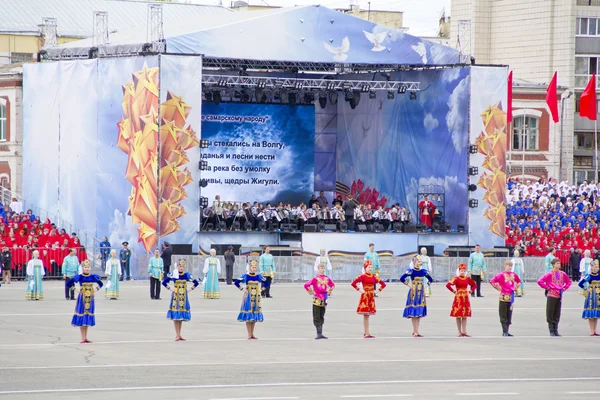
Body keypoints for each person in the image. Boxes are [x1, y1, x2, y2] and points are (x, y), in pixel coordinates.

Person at [66, 260, 103, 344]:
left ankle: (86, 337)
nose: (86, 269)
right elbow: (68, 283)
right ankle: (82, 337)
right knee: (82, 315)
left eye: (88, 267)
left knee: (87, 316)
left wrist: (95, 289)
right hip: (82, 298)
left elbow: (100, 284)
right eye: (85, 267)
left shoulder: (93, 277)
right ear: (82, 268)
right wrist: (75, 289)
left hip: (90, 298)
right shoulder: (80, 277)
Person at [162, 259, 199, 341]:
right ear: (177, 267)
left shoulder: (187, 275)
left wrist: (189, 290)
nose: (181, 268)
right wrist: (171, 289)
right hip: (176, 297)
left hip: (183, 297)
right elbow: (164, 282)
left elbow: (196, 283)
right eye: (180, 266)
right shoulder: (174, 274)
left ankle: (179, 334)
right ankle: (177, 334)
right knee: (176, 316)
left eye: (182, 266)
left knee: (181, 317)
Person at [350, 260, 386, 338]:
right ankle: (366, 332)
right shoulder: (362, 276)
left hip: (371, 297)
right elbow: (353, 283)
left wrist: (377, 291)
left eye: (371, 267)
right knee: (366, 315)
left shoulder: (374, 276)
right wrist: (360, 290)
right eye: (369, 267)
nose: (370, 268)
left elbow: (383, 284)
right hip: (365, 297)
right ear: (365, 268)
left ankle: (367, 332)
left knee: (368, 315)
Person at [538, 258, 572, 337]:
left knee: (557, 312)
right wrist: (548, 288)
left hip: (559, 295)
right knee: (550, 312)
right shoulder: (549, 274)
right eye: (557, 263)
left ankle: (556, 329)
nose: (559, 265)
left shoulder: (563, 274)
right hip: (551, 295)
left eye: (559, 263)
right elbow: (540, 281)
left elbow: (569, 282)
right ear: (553, 264)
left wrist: (564, 288)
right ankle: (551, 330)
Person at [400, 255, 433, 337]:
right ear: (414, 262)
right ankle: (414, 331)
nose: (419, 263)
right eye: (418, 261)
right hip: (413, 293)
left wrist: (426, 286)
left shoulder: (423, 271)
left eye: (420, 261)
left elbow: (431, 279)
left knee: (418, 313)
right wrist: (409, 285)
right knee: (413, 312)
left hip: (421, 293)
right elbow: (402, 278)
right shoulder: (411, 271)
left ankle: (417, 331)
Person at [235, 260, 268, 339]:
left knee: (253, 316)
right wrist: (242, 289)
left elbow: (266, 282)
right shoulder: (246, 276)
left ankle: (252, 333)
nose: (254, 269)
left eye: (255, 267)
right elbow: (236, 282)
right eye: (253, 267)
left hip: (256, 297)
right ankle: (249, 334)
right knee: (248, 315)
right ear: (249, 268)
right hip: (248, 297)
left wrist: (261, 289)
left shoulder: (258, 276)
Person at [490, 260, 522, 337]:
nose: (510, 267)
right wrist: (497, 287)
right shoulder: (501, 275)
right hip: (503, 296)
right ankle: (504, 331)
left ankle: (507, 331)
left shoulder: (513, 275)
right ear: (505, 266)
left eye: (511, 266)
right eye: (508, 266)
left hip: (511, 296)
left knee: (509, 314)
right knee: (503, 314)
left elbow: (519, 281)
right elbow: (492, 281)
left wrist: (515, 287)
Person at [304, 262, 335, 340]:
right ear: (318, 270)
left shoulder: (327, 278)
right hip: (317, 298)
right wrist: (312, 292)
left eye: (324, 268)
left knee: (322, 315)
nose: (322, 270)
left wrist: (329, 291)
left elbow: (333, 285)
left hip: (324, 298)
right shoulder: (315, 279)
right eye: (321, 268)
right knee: (316, 316)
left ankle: (321, 333)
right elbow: (306, 285)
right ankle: (319, 333)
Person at [446, 264, 477, 337]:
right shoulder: (456, 278)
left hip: (465, 298)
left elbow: (474, 285)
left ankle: (464, 331)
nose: (462, 272)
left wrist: (470, 291)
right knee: (458, 315)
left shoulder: (467, 279)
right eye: (461, 271)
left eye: (464, 271)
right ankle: (459, 331)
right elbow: (448, 285)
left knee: (464, 315)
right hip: (458, 298)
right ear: (459, 271)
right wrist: (454, 291)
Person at [579, 260, 600, 336]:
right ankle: (591, 330)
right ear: (592, 268)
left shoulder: (599, 275)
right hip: (591, 295)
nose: (597, 268)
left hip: (598, 295)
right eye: (595, 267)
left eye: (597, 267)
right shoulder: (589, 276)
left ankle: (595, 330)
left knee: (596, 315)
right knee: (591, 314)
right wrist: (586, 288)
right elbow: (580, 283)